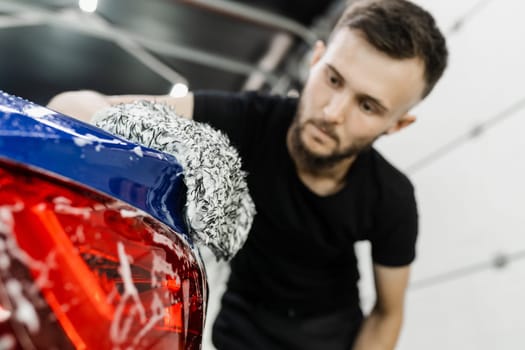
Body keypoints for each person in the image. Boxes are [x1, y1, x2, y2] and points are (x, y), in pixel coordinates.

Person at [48, 0, 448, 348]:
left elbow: (387, 314)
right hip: (239, 328)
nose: (332, 113)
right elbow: (72, 106)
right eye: (333, 79)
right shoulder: (247, 119)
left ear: (397, 124)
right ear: (315, 60)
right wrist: (185, 140)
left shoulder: (392, 198)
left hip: (328, 338)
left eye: (367, 106)